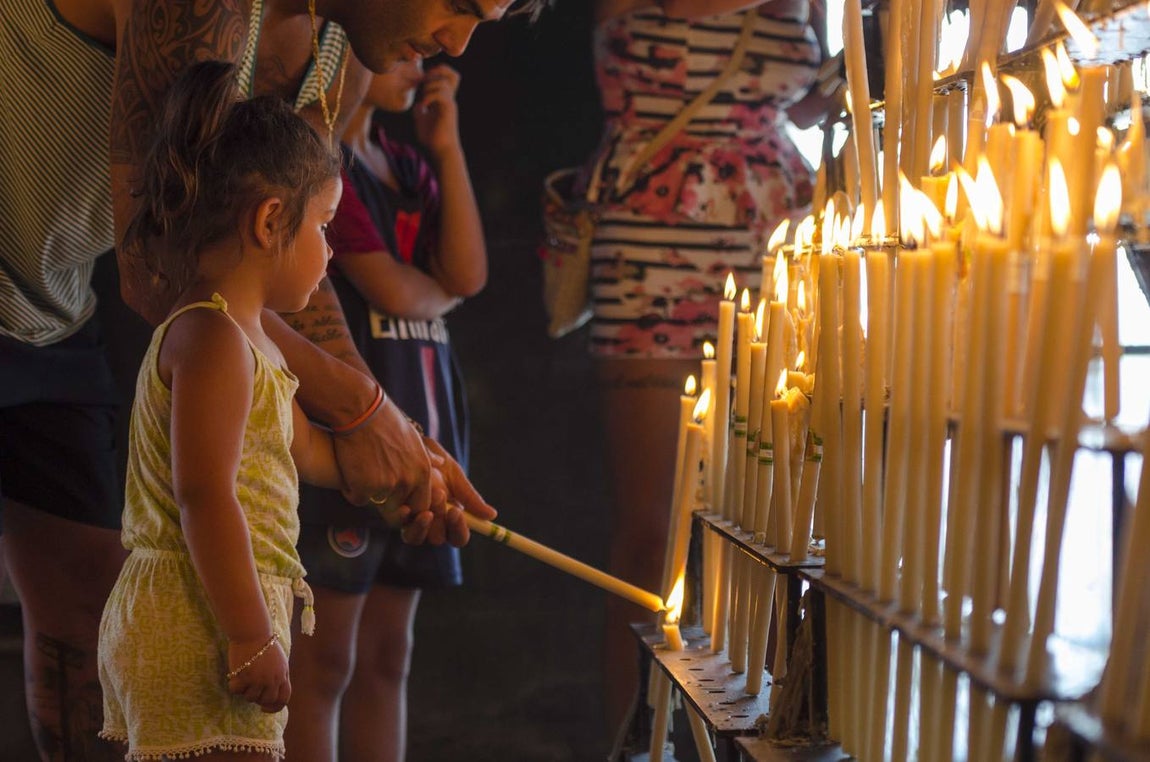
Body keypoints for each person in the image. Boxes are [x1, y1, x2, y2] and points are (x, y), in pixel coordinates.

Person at [0, 0, 542, 758]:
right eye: (461, 4)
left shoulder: (346, 51)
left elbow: (274, 257)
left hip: (46, 307)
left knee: (80, 605)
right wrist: (363, 408)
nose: (457, 42)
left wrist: (386, 441)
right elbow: (168, 262)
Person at [578, 0, 831, 754]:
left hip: (771, 228)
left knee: (768, 514)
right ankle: (636, 739)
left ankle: (758, 731)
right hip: (653, 239)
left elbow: (806, 94)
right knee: (652, 525)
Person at [96, 60, 355, 761]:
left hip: (221, 611)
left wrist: (405, 469)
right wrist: (247, 634)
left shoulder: (253, 344)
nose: (330, 252)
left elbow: (309, 454)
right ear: (272, 220)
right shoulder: (210, 338)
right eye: (324, 226)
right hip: (199, 617)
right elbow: (204, 494)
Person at [286, 60, 486, 761]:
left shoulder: (406, 161)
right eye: (403, 48)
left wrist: (447, 146)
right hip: (354, 442)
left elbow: (466, 273)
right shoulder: (320, 166)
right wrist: (441, 295)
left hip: (427, 432)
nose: (425, 62)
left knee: (389, 655)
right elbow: (394, 291)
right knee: (325, 659)